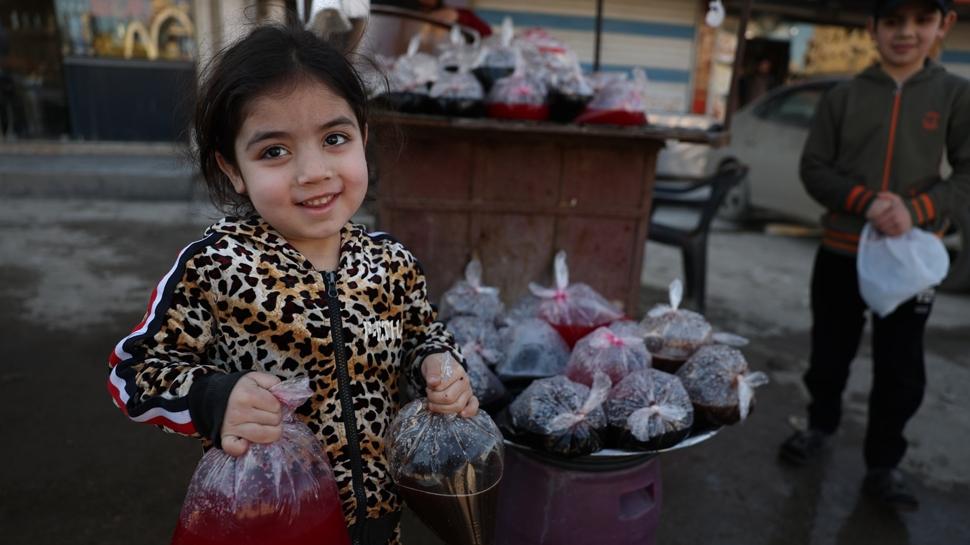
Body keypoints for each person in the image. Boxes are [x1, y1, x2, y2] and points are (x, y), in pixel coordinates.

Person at [106, 23, 478, 545]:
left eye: (334, 138)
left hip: (382, 519)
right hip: (273, 521)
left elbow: (424, 335)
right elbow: (134, 372)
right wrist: (216, 399)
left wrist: (439, 366)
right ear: (232, 168)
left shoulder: (392, 262)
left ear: (363, 138)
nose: (313, 171)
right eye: (274, 151)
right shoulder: (215, 266)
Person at [780, 0, 969, 511]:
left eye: (921, 21)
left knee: (901, 366)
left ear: (943, 25)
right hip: (841, 249)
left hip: (910, 260)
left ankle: (884, 464)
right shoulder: (843, 96)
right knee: (828, 352)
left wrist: (920, 208)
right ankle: (819, 428)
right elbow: (814, 167)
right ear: (872, 27)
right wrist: (863, 202)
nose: (906, 33)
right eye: (892, 21)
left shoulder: (956, 95)